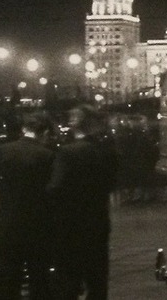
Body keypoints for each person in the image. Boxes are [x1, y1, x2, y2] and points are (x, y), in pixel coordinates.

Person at [48, 104, 119, 300]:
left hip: (71, 226)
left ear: (75, 125)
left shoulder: (67, 153)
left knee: (69, 281)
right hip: (97, 222)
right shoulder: (106, 152)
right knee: (97, 281)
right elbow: (111, 184)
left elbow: (56, 187)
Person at [0, 111, 56, 300]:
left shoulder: (2, 151)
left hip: (7, 223)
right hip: (37, 227)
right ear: (43, 132)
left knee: (7, 283)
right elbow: (50, 192)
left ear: (23, 129)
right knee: (39, 282)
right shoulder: (48, 156)